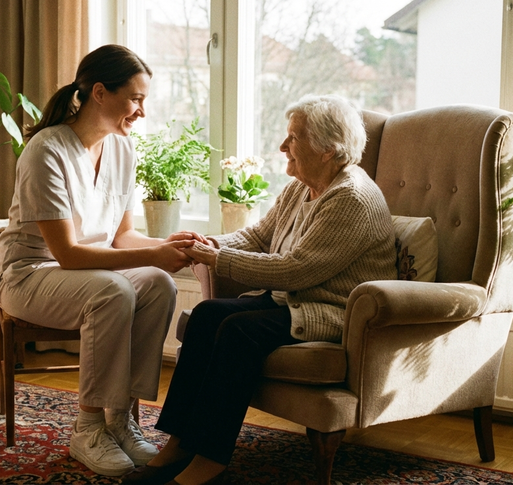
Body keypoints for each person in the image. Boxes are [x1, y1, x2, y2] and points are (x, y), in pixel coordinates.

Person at [125, 94, 398, 485]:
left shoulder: (351, 197)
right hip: (292, 302)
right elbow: (257, 235)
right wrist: (210, 244)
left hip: (330, 311)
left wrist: (214, 259)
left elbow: (297, 271)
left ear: (328, 150)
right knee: (206, 315)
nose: (283, 146)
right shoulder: (301, 187)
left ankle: (211, 460)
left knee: (238, 331)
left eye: (294, 137)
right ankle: (180, 443)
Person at [0, 44, 201, 477]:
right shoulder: (46, 149)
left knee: (159, 283)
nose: (142, 110)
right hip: (30, 274)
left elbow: (123, 236)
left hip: (88, 274)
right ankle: (87, 427)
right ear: (100, 93)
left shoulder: (123, 150)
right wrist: (155, 256)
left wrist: (170, 246)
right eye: (136, 98)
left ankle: (120, 420)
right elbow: (66, 253)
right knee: (114, 288)